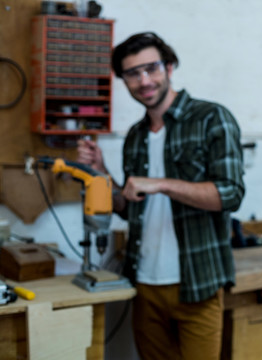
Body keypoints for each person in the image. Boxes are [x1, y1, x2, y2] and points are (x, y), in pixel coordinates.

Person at [77, 32, 245, 359]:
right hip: (144, 285)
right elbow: (128, 207)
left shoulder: (211, 118)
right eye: (132, 74)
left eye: (151, 68)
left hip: (197, 284)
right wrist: (102, 172)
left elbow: (230, 194)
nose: (143, 80)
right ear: (123, 80)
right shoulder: (136, 136)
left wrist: (161, 183)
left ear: (169, 67)